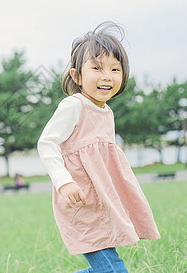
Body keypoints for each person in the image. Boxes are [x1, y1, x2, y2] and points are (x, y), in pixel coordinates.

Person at [37, 21, 160, 272]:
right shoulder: (74, 105)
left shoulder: (107, 111)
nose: (107, 76)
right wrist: (64, 181)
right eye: (96, 68)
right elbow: (47, 143)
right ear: (76, 76)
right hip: (81, 201)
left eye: (115, 69)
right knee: (113, 269)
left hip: (103, 198)